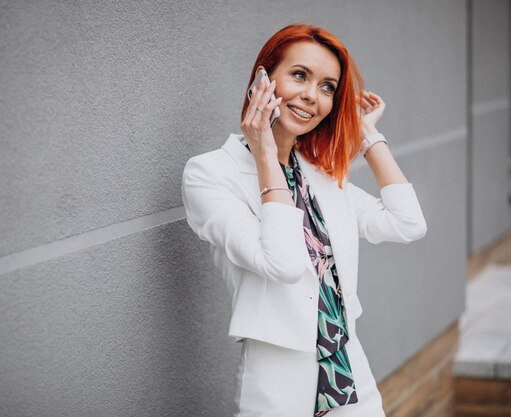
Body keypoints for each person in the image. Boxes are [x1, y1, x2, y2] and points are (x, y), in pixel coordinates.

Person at [180, 23, 427, 417]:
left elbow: (407, 223)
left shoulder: (318, 173)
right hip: (279, 377)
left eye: (327, 87)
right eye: (299, 75)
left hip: (347, 367)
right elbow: (284, 263)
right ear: (263, 78)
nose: (312, 96)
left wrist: (367, 134)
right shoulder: (210, 174)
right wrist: (264, 155)